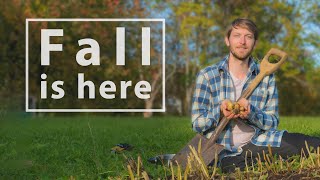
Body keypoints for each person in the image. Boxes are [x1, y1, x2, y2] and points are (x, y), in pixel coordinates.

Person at [191, 18, 320, 173]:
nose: (242, 41)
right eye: (237, 35)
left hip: (259, 142)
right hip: (221, 149)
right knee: (230, 166)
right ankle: (237, 163)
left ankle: (252, 160)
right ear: (227, 40)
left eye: (249, 36)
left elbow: (272, 123)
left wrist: (252, 113)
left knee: (312, 144)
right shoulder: (207, 76)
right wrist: (219, 110)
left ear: (255, 43)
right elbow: (197, 123)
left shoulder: (266, 76)